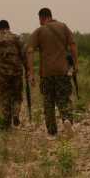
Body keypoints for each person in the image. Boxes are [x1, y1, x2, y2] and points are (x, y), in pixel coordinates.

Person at [26, 8, 78, 136]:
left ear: (42, 18)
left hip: (46, 74)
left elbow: (30, 51)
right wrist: (75, 64)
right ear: (50, 16)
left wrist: (31, 73)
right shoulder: (63, 27)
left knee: (48, 102)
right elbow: (73, 45)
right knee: (64, 98)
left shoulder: (39, 31)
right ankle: (67, 120)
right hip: (63, 71)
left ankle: (52, 132)